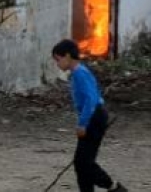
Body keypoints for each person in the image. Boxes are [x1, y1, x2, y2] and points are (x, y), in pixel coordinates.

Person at [52, 39, 127, 192]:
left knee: (84, 162)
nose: (57, 64)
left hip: (94, 117)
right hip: (95, 115)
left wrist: (82, 123)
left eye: (58, 60)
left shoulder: (80, 73)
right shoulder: (79, 72)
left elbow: (90, 100)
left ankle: (113, 186)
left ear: (67, 56)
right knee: (82, 163)